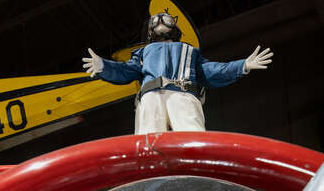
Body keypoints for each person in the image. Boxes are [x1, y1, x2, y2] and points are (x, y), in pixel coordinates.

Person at [82, 11, 273, 132]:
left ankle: (199, 177)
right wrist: (104, 66)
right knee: (148, 141)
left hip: (182, 94)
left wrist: (242, 65)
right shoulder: (144, 53)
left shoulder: (188, 51)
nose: (160, 21)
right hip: (152, 97)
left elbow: (211, 70)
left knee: (192, 137)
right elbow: (126, 71)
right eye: (156, 21)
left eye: (164, 19)